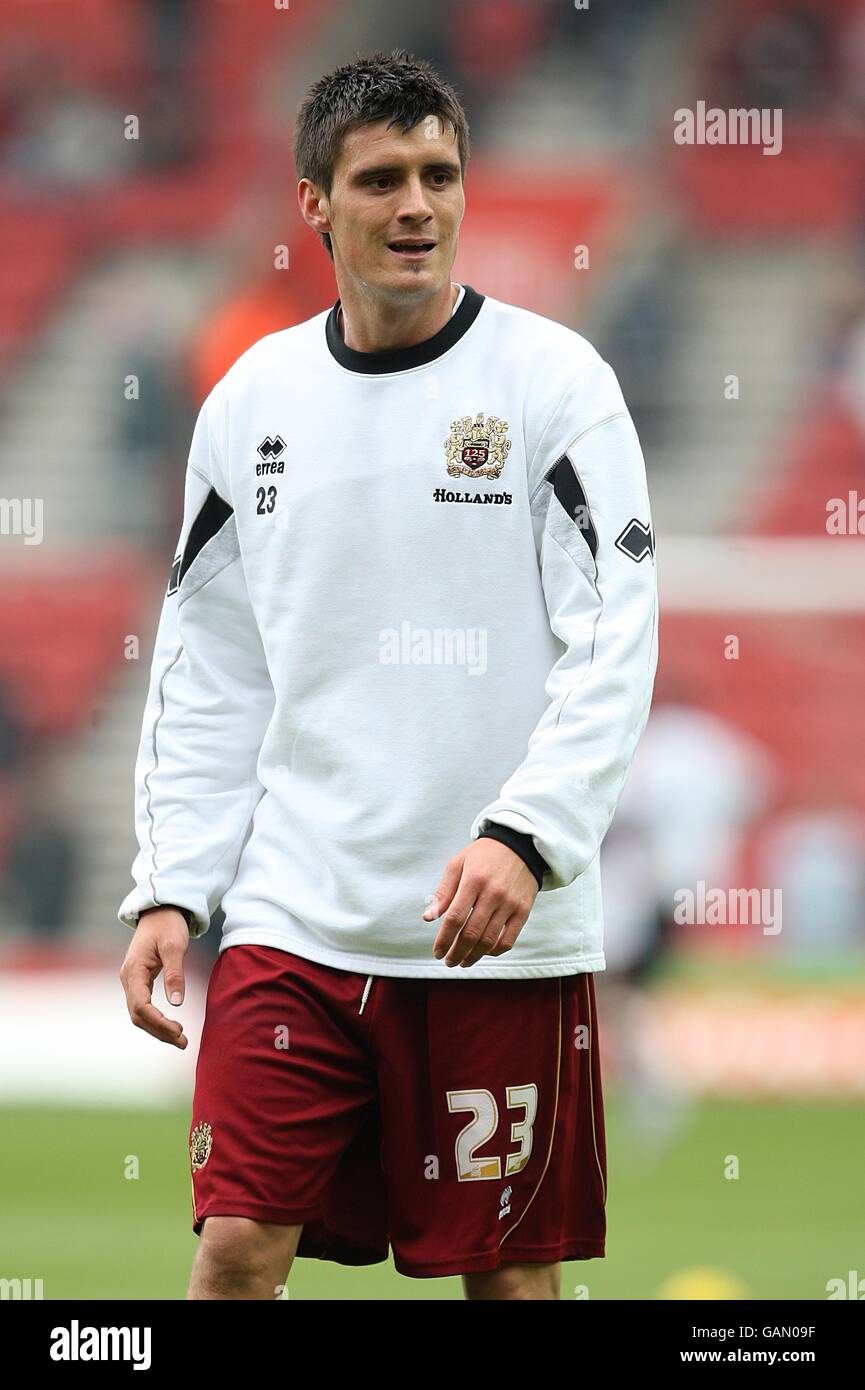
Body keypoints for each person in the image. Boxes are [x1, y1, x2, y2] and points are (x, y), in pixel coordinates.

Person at [117, 48, 658, 1301]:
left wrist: (525, 838)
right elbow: (212, 668)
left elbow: (616, 629)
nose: (416, 204)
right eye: (380, 180)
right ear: (314, 200)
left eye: (438, 175)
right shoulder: (250, 399)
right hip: (296, 918)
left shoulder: (554, 385)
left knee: (509, 1286)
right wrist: (171, 889)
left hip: (496, 940)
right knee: (235, 1253)